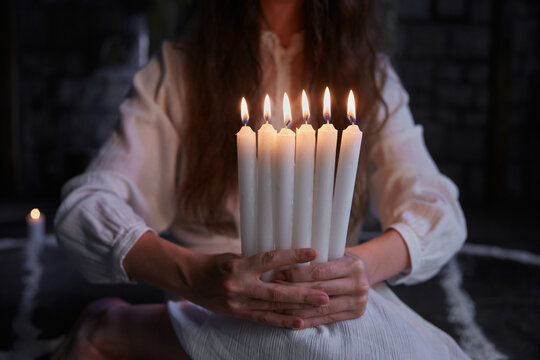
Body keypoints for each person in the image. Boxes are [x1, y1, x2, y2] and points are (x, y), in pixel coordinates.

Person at [53, 0, 469, 359]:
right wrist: (196, 277)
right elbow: (85, 207)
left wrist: (361, 266)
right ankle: (123, 329)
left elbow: (437, 207)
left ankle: (120, 329)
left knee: (361, 336)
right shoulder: (179, 72)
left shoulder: (369, 77)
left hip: (327, 306)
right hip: (211, 313)